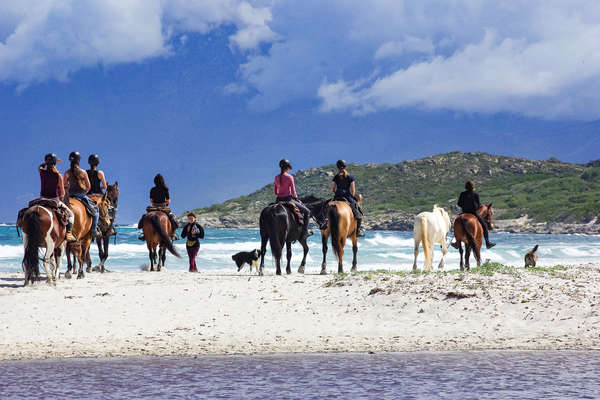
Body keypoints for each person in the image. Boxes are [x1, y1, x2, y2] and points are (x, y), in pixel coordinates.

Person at [38, 153, 76, 242]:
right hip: (54, 200)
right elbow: (62, 193)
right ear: (55, 163)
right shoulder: (58, 175)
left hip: (42, 199)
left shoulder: (42, 172)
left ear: (46, 163)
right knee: (71, 215)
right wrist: (62, 197)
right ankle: (69, 233)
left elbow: (40, 167)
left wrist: (45, 164)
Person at [63, 151, 100, 238]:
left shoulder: (67, 172)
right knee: (96, 210)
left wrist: (68, 190)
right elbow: (88, 187)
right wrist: (84, 193)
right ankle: (94, 229)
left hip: (70, 195)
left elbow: (64, 185)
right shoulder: (83, 172)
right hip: (81, 195)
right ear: (78, 161)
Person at [274, 159, 312, 240]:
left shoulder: (276, 177)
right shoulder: (290, 177)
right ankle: (305, 233)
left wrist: (281, 193)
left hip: (278, 200)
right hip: (288, 200)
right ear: (287, 168)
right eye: (289, 168)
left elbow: (275, 192)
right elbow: (293, 191)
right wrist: (297, 199)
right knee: (307, 211)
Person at [137, 174, 179, 241]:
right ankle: (173, 234)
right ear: (162, 181)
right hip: (163, 207)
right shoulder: (165, 189)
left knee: (145, 217)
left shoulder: (152, 189)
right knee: (172, 218)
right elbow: (168, 201)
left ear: (155, 181)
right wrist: (165, 204)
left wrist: (155, 203)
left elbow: (151, 200)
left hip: (153, 207)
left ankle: (144, 234)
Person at [456, 180, 496, 249]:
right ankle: (487, 242)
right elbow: (478, 206)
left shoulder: (462, 194)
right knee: (484, 225)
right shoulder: (475, 194)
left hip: (464, 212)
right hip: (473, 213)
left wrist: (464, 206)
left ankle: (456, 242)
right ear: (473, 187)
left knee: (456, 224)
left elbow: (459, 204)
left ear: (466, 187)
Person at [331, 160, 365, 237]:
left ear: (337, 167)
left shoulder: (336, 177)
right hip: (347, 196)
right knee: (358, 214)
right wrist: (351, 197)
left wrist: (336, 193)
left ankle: (326, 224)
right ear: (345, 167)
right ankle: (358, 230)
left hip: (337, 196)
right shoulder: (350, 177)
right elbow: (353, 191)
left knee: (328, 208)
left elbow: (332, 189)